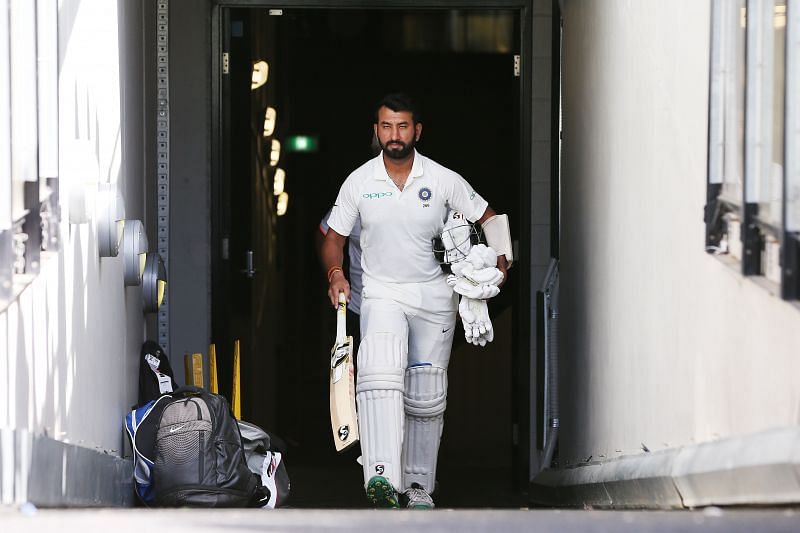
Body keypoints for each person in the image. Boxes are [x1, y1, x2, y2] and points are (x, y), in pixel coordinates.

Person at [320, 93, 512, 509]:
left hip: (435, 296)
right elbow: (332, 237)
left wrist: (501, 263)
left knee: (426, 393)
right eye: (386, 126)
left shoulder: (443, 179)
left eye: (402, 126)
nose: (394, 135)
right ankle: (383, 478)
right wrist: (336, 273)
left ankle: (420, 486)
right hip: (382, 292)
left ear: (417, 131)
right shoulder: (360, 181)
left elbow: (490, 219)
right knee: (380, 374)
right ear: (376, 131)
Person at [317, 209, 362, 346]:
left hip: (419, 304)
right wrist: (335, 273)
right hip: (361, 306)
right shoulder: (355, 190)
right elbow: (327, 236)